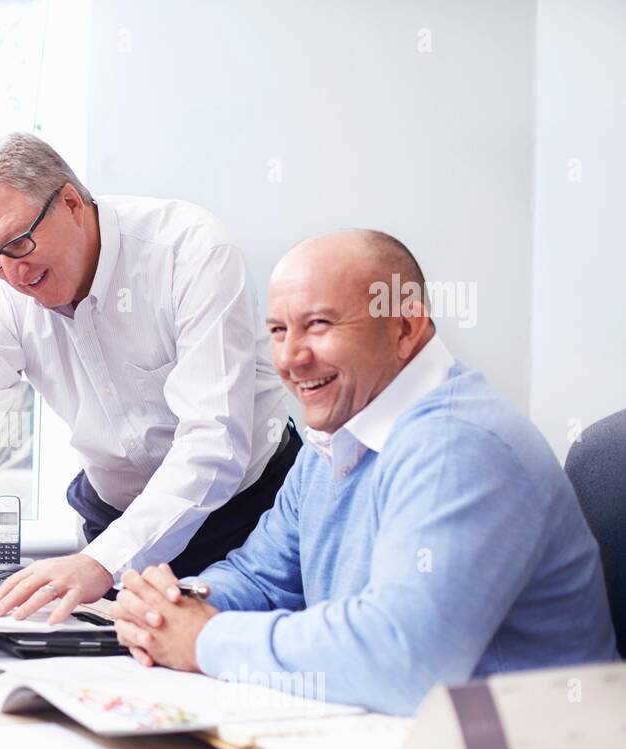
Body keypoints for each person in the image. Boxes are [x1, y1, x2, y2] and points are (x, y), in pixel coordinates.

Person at [110, 230, 619, 715]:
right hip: (391, 748)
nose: (290, 358)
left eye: (319, 325)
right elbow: (259, 578)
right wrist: (167, 610)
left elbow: (403, 657)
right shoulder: (335, 435)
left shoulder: (460, 445)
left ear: (404, 328)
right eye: (278, 331)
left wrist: (204, 640)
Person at [0, 132, 297, 624]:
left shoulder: (189, 251)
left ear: (71, 203)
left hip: (246, 512)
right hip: (114, 515)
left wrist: (100, 563)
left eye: (18, 243)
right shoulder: (2, 297)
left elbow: (214, 442)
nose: (12, 273)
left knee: (229, 669)